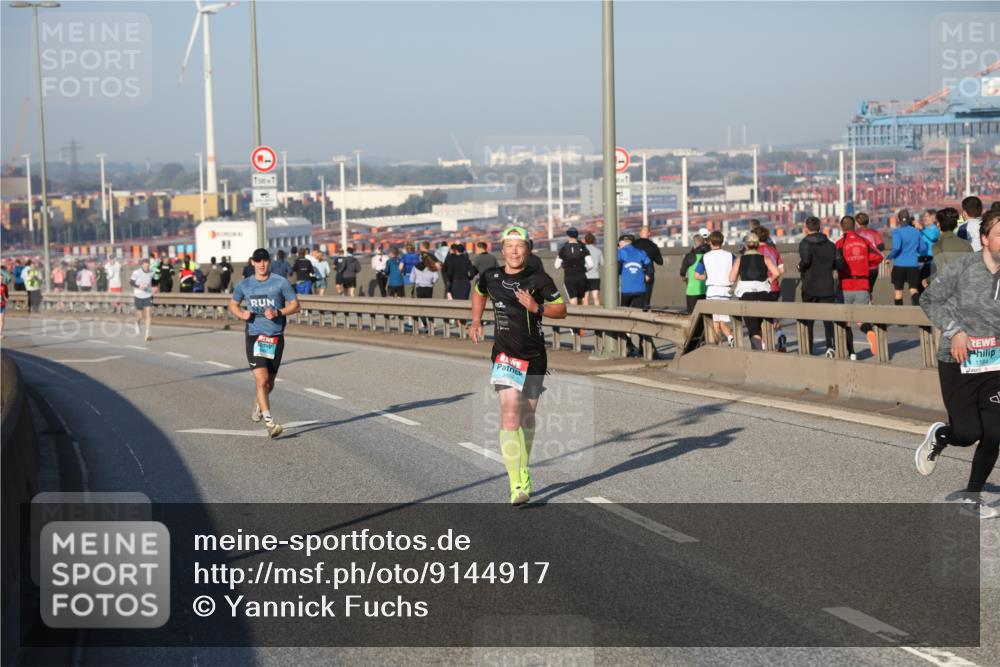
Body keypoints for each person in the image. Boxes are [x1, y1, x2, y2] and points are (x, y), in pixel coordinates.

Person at [469, 226, 567, 506]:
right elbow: (479, 292)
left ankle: (522, 466)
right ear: (502, 249)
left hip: (534, 356)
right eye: (509, 246)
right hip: (505, 355)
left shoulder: (539, 278)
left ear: (527, 249)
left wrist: (537, 307)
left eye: (519, 246)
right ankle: (518, 483)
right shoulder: (491, 276)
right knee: (510, 412)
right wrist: (476, 320)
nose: (514, 251)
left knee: (527, 417)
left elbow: (561, 310)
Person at [915, 210, 1000, 519]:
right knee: (967, 433)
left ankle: (971, 498)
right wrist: (955, 331)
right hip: (958, 361)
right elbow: (929, 300)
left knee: (995, 432)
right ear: (985, 239)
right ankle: (942, 436)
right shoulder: (963, 267)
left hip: (994, 368)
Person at [229, 248, 301, 440]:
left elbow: (295, 305)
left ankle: (259, 403)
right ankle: (270, 423)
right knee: (260, 381)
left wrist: (278, 313)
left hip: (275, 337)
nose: (261, 264)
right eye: (258, 261)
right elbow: (233, 304)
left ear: (269, 262)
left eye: (265, 261)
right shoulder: (244, 284)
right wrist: (241, 314)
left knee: (269, 384)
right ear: (252, 262)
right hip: (254, 336)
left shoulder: (280, 282)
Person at [834, 215, 883, 360]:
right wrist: (864, 263)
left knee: (846, 322)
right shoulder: (864, 241)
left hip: (845, 285)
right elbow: (879, 257)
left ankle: (852, 353)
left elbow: (834, 261)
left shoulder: (839, 244)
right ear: (854, 226)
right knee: (861, 320)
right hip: (862, 285)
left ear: (842, 227)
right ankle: (870, 333)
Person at [730, 233, 778, 351]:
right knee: (764, 324)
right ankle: (767, 348)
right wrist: (769, 280)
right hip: (763, 293)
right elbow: (776, 272)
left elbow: (731, 279)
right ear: (757, 245)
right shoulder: (764, 258)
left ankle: (759, 353)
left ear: (745, 245)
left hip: (746, 294)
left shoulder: (740, 260)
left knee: (753, 329)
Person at [798, 216, 837, 356]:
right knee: (828, 318)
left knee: (809, 318)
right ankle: (830, 346)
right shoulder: (831, 244)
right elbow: (838, 263)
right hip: (827, 285)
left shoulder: (805, 243)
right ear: (819, 227)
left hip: (809, 285)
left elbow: (806, 260)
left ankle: (809, 347)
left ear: (807, 228)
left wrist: (800, 266)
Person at [694, 231, 735, 347]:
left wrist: (707, 277)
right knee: (722, 321)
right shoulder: (730, 255)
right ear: (722, 241)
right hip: (726, 290)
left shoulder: (705, 257)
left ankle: (719, 345)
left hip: (712, 291)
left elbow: (696, 275)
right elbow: (737, 270)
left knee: (715, 322)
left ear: (710, 242)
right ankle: (730, 338)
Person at [755, 226, 787, 351]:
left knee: (761, 318)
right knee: (773, 315)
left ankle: (764, 344)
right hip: (775, 288)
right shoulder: (774, 250)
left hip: (761, 288)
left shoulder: (755, 252)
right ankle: (780, 334)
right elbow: (782, 270)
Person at [888, 209, 929, 306]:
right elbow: (923, 249)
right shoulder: (916, 232)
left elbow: (896, 248)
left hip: (899, 265)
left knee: (898, 292)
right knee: (914, 290)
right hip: (913, 265)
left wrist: (889, 257)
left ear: (898, 219)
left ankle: (899, 318)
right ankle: (918, 311)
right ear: (909, 219)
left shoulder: (897, 232)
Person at [555, 228, 593, 306]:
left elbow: (556, 266)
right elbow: (591, 264)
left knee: (573, 300)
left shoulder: (563, 249)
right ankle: (583, 317)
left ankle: (576, 317)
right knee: (582, 300)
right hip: (581, 276)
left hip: (569, 277)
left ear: (568, 236)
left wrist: (563, 266)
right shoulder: (583, 247)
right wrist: (584, 269)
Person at [632, 226, 664, 311]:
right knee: (647, 292)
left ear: (640, 233)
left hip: (634, 272)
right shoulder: (653, 246)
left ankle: (635, 310)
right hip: (648, 273)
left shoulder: (634, 244)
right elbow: (660, 262)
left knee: (635, 293)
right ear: (649, 234)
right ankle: (646, 306)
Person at [617, 234, 652, 309]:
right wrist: (647, 275)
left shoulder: (621, 252)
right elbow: (649, 266)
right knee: (638, 313)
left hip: (626, 289)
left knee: (624, 313)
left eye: (619, 243)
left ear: (622, 242)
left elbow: (617, 269)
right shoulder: (641, 252)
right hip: (640, 288)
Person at [679, 231, 710, 315]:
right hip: (706, 290)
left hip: (692, 291)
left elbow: (682, 272)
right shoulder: (708, 255)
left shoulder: (689, 256)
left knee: (692, 316)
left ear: (694, 243)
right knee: (705, 316)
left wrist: (685, 280)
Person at [855, 212, 884, 298]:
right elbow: (881, 247)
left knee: (861, 289)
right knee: (869, 289)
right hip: (873, 267)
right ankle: (869, 302)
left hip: (859, 267)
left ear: (857, 223)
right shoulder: (874, 233)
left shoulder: (855, 234)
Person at [411, 253, 439, 331]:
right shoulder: (431, 266)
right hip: (429, 288)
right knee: (429, 306)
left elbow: (411, 279)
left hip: (419, 288)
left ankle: (425, 324)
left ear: (420, 259)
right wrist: (432, 282)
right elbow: (436, 277)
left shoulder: (415, 267)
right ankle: (431, 322)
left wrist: (416, 282)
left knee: (421, 307)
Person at [130, 257, 155, 342]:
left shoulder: (152, 272)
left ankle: (147, 333)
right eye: (144, 264)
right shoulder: (136, 272)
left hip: (148, 295)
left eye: (147, 264)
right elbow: (131, 282)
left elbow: (154, 281)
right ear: (142, 264)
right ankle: (136, 323)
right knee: (140, 316)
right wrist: (139, 286)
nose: (146, 265)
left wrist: (155, 287)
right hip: (138, 295)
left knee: (148, 314)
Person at [916, 208, 940, 291]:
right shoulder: (921, 230)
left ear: (934, 218)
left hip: (931, 262)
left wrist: (922, 229)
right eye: (924, 216)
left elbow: (933, 237)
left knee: (929, 287)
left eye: (927, 216)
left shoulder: (936, 229)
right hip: (920, 262)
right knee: (919, 287)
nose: (925, 218)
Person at [583, 232, 603, 306]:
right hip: (595, 276)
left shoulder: (582, 250)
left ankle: (585, 316)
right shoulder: (598, 251)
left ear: (585, 241)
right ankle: (598, 314)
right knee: (596, 297)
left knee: (585, 298)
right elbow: (602, 263)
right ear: (594, 240)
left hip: (585, 276)